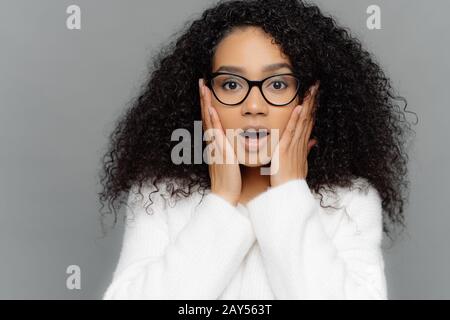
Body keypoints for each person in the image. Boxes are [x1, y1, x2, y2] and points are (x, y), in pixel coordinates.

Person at [99, 0, 415, 299]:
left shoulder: (350, 201)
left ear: (309, 99)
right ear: (202, 95)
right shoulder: (160, 195)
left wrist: (289, 192)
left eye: (277, 84)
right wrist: (221, 200)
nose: (253, 105)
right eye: (231, 84)